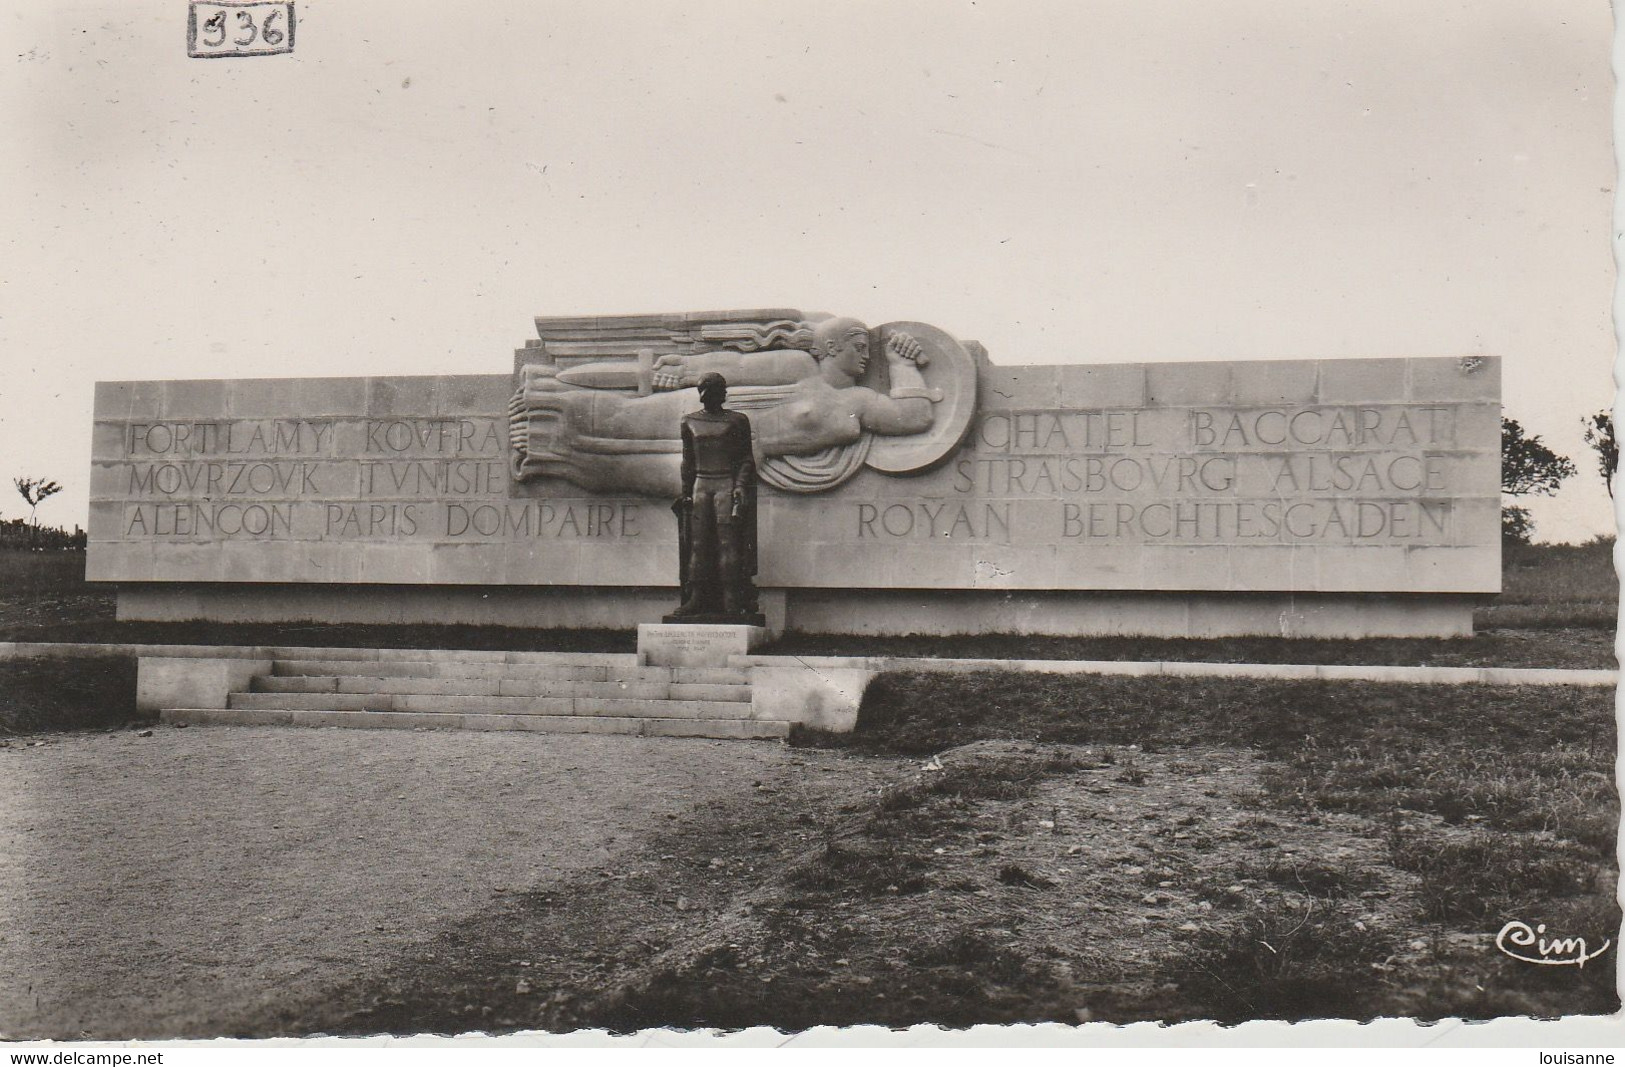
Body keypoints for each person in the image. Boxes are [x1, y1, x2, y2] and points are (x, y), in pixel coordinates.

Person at [509, 317, 935, 496]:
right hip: (697, 412)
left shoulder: (858, 402)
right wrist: (686, 369)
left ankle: (542, 453)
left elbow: (914, 417)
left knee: (617, 469)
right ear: (828, 347)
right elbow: (738, 366)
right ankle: (542, 403)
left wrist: (901, 365)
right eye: (858, 347)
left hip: (734, 462)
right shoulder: (801, 365)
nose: (865, 357)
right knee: (619, 418)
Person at [670, 373, 757, 618]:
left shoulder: (738, 420)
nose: (705, 394)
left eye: (711, 389)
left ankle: (731, 597)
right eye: (702, 389)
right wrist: (686, 492)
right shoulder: (689, 421)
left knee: (727, 542)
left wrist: (739, 486)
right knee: (697, 544)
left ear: (722, 392)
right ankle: (696, 597)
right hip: (700, 484)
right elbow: (687, 462)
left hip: (725, 483)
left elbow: (746, 459)